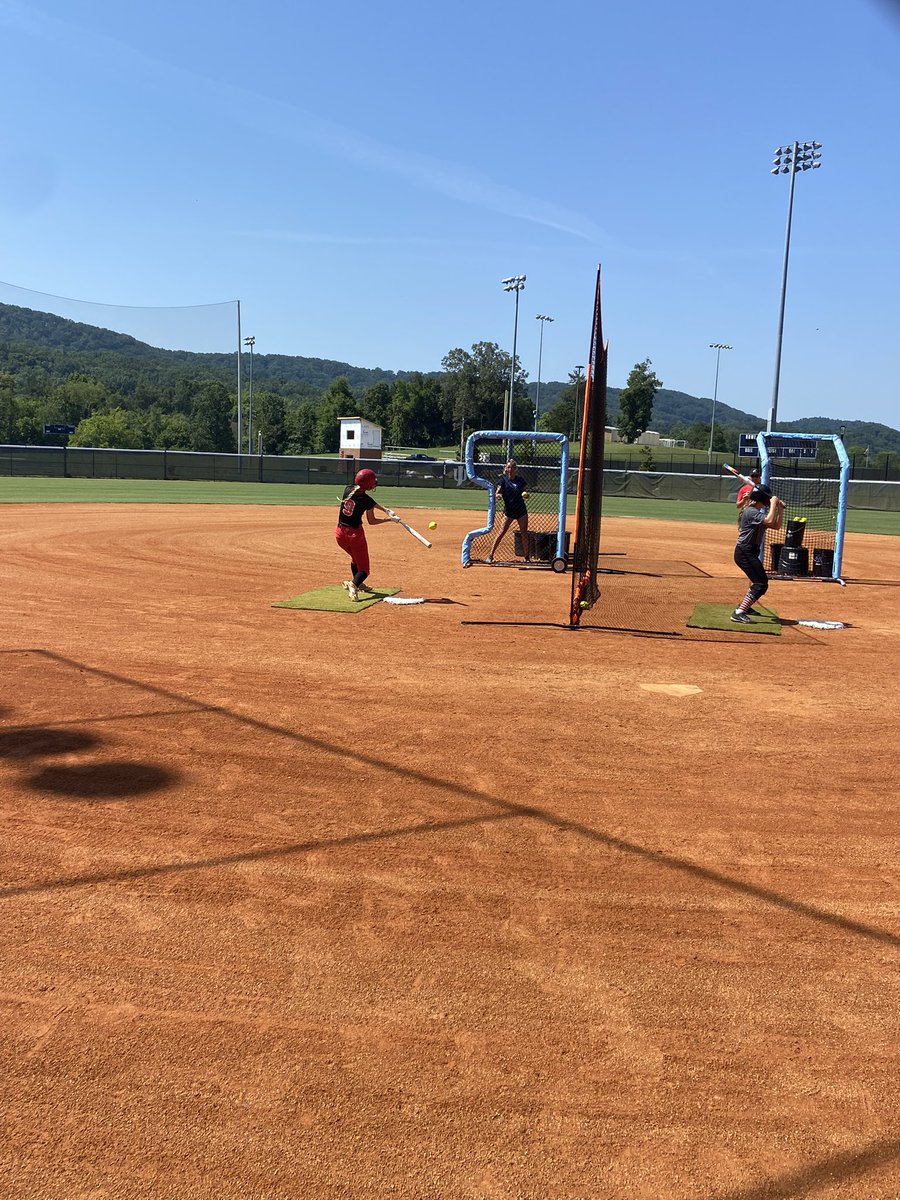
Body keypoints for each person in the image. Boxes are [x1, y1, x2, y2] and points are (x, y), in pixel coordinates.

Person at [335, 468, 398, 600]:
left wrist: (386, 510)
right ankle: (353, 584)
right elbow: (372, 521)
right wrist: (389, 519)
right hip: (355, 536)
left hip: (340, 534)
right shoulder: (366, 500)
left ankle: (359, 583)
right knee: (364, 570)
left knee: (355, 559)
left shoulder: (348, 489)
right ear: (368, 485)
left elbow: (371, 502)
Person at [731, 485, 784, 623]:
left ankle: (745, 607)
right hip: (744, 552)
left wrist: (780, 509)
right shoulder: (751, 512)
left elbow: (776, 526)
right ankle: (739, 612)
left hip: (750, 552)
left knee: (758, 581)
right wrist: (774, 503)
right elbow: (769, 520)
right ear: (763, 499)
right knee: (761, 583)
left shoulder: (756, 512)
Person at [486, 459, 530, 563]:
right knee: (501, 532)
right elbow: (498, 492)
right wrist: (498, 495)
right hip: (509, 511)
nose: (510, 469)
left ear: (515, 469)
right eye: (509, 467)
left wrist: (526, 494)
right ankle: (490, 555)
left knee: (524, 533)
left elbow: (525, 490)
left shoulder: (520, 480)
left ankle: (527, 557)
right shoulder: (503, 480)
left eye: (513, 467)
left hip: (521, 510)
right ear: (506, 469)